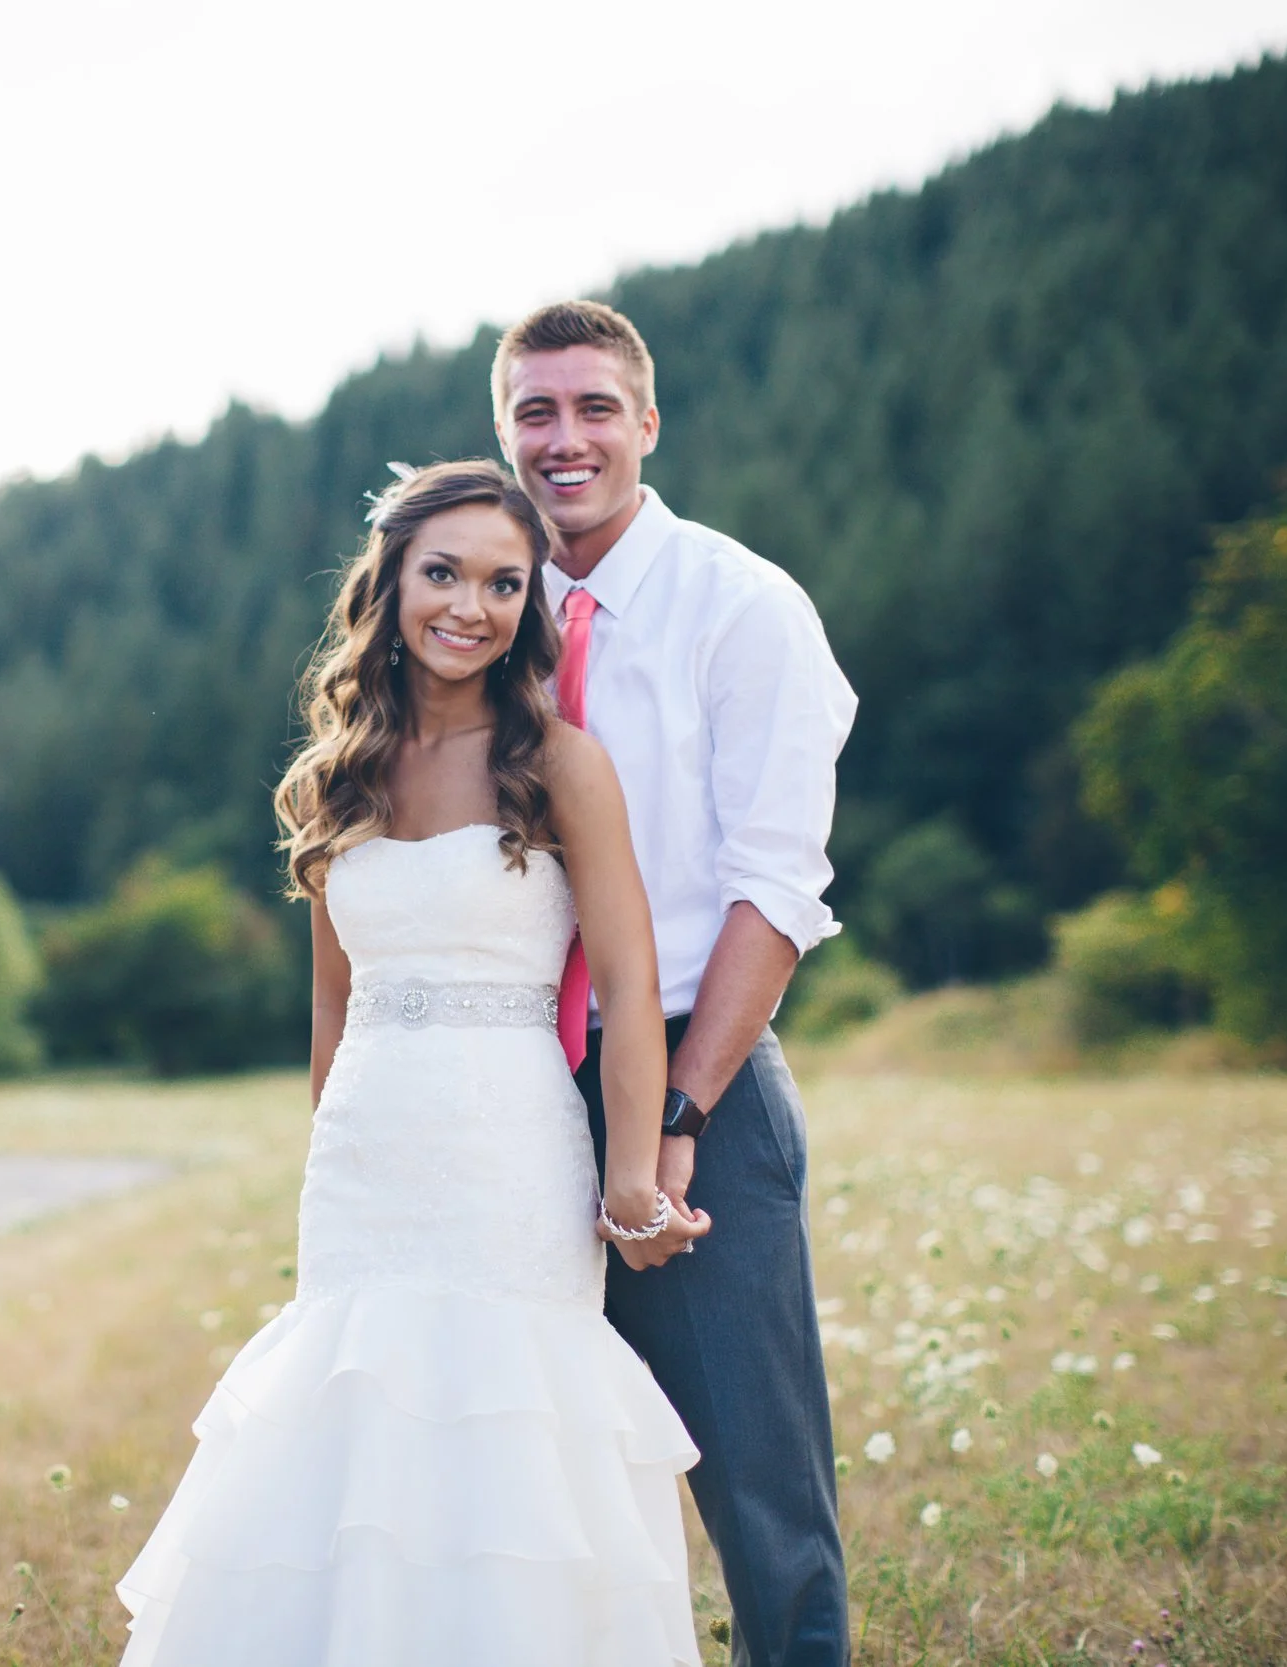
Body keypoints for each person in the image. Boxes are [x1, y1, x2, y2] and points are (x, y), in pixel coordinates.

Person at [115, 459, 711, 1665]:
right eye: (442, 573)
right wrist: (332, 1148)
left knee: (505, 1423)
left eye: (503, 582)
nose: (469, 606)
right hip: (367, 1166)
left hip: (510, 1148)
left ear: (527, 604)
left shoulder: (561, 762)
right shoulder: (335, 776)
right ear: (388, 584)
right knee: (357, 1425)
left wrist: (633, 1177)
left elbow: (633, 988)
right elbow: (333, 1005)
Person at [496, 299, 858, 1665]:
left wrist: (683, 1117)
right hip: (511, 1076)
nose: (566, 437)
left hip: (689, 1059)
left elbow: (778, 891)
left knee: (757, 1480)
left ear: (650, 422)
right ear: (504, 432)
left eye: (596, 408)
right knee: (529, 1456)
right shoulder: (483, 603)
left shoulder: (745, 607)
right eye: (537, 411)